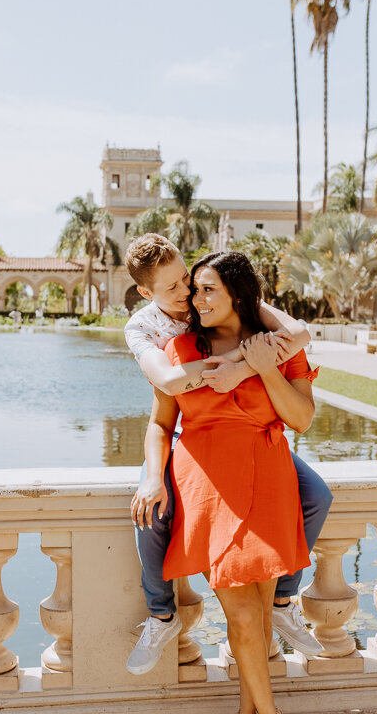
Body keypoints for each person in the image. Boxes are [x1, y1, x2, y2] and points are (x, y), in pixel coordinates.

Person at [133, 251, 315, 714]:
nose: (195, 299)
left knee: (257, 618)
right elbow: (160, 424)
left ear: (238, 294)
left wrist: (263, 369)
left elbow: (300, 417)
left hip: (270, 477)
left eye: (208, 290)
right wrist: (151, 476)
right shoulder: (178, 348)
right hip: (208, 483)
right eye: (194, 290)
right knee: (240, 614)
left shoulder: (275, 345)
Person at [123, 234, 332, 675]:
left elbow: (298, 334)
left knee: (316, 496)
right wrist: (152, 476)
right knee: (152, 512)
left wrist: (243, 365)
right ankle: (162, 615)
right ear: (146, 294)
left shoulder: (222, 297)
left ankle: (282, 599)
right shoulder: (144, 328)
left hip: (246, 435)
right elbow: (168, 385)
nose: (187, 296)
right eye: (174, 289)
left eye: (187, 279)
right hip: (187, 434)